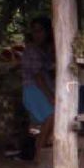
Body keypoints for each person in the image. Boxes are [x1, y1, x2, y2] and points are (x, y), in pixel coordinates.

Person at [20, 17, 56, 152]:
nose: (37, 35)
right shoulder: (32, 51)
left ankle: (41, 150)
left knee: (49, 120)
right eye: (34, 31)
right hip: (34, 89)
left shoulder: (44, 50)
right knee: (51, 116)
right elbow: (38, 76)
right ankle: (39, 153)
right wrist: (50, 96)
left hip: (43, 88)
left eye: (40, 31)